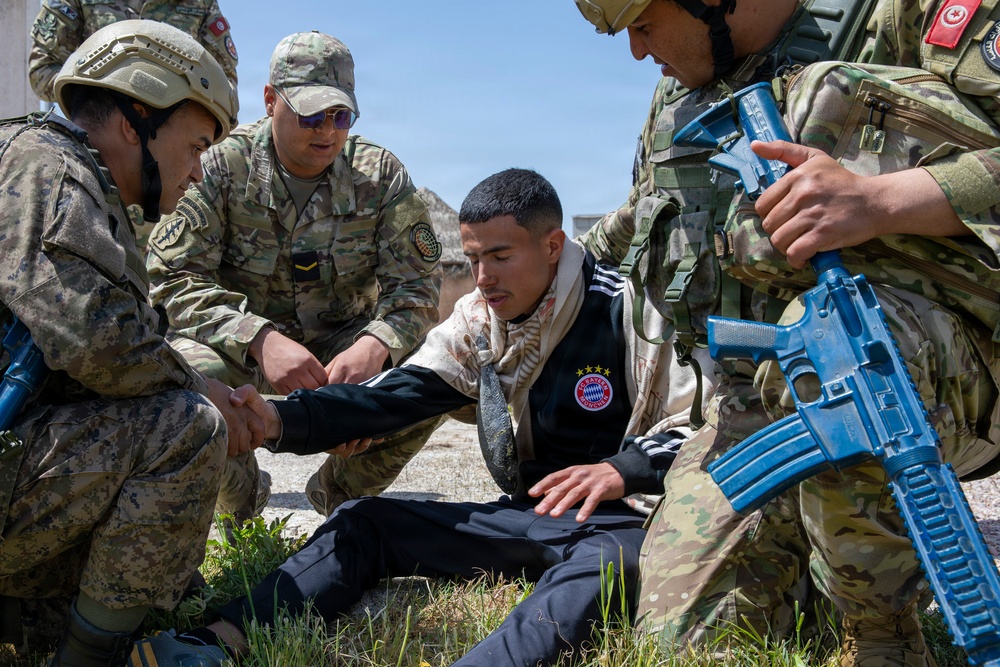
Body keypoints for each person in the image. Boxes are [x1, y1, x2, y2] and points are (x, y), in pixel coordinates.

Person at [126, 167, 717, 667]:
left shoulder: (633, 312)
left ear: (553, 246)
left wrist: (618, 469)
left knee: (612, 566)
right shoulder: (477, 319)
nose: (483, 278)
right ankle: (213, 643)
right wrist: (277, 421)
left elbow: (701, 430)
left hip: (620, 525)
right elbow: (394, 396)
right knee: (364, 521)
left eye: (501, 257)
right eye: (474, 258)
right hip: (529, 515)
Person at [574, 1, 1000, 665]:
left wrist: (883, 200)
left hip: (950, 364)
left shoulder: (902, 14)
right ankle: (820, 541)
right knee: (685, 642)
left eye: (643, 23)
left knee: (831, 348)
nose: (635, 51)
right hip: (760, 402)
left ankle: (883, 637)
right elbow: (640, 212)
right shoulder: (677, 95)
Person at [0, 19, 267, 667]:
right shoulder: (49, 170)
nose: (199, 172)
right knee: (184, 426)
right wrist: (201, 392)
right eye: (196, 145)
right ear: (135, 118)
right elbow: (92, 339)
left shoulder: (68, 176)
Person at [144, 30, 445, 523]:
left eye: (340, 116)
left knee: (426, 379)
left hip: (342, 348)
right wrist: (258, 337)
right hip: (237, 344)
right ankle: (240, 504)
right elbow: (173, 276)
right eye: (309, 114)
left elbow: (416, 286)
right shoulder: (219, 165)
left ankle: (339, 497)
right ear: (269, 101)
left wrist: (376, 346)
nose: (326, 130)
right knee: (181, 384)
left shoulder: (380, 175)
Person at [28, 0, 239, 102]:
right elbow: (42, 71)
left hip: (175, 139)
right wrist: (97, 97)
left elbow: (226, 86)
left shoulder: (200, 3)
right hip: (98, 142)